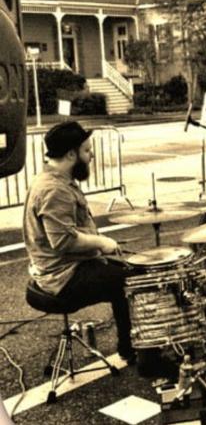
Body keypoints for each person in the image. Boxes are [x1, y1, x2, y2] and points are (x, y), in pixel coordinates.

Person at [23, 121, 136, 362]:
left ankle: (130, 346)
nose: (91, 155)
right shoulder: (55, 190)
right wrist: (101, 242)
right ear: (71, 154)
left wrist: (99, 245)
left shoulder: (53, 180)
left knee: (128, 271)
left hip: (64, 268)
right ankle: (142, 352)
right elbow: (63, 241)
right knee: (134, 281)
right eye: (87, 151)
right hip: (62, 277)